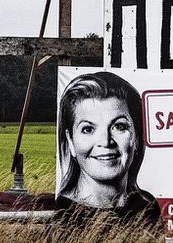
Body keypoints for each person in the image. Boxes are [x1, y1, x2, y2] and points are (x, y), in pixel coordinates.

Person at [54, 71, 162, 227]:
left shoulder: (147, 207)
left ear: (136, 137)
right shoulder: (64, 215)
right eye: (88, 129)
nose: (105, 141)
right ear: (71, 141)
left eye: (119, 126)